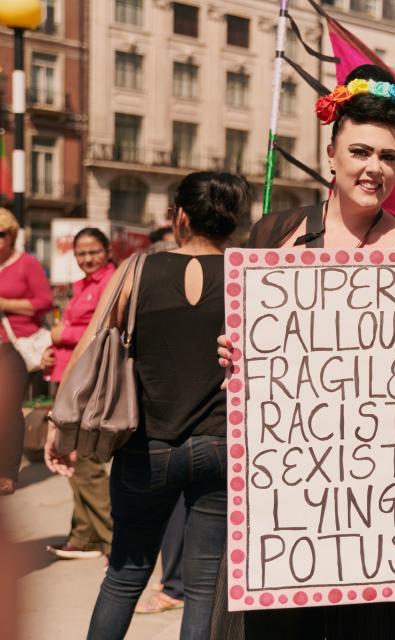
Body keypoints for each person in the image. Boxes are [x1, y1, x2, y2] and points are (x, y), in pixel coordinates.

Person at [211, 64, 395, 640]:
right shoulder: (274, 233)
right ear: (331, 153)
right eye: (361, 151)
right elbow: (248, 350)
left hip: (382, 505)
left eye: (389, 157)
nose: (374, 168)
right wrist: (231, 350)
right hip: (291, 491)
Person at [45, 171, 253, 639]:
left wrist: (61, 426)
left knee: (123, 576)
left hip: (147, 448)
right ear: (232, 221)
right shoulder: (248, 273)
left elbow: (89, 348)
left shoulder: (137, 270)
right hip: (223, 448)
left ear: (179, 216)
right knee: (202, 588)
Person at [41, 228, 116, 559]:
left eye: (93, 252)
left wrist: (61, 334)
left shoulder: (110, 283)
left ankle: (113, 544)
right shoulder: (83, 286)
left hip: (87, 383)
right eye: (81, 253)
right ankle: (84, 535)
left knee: (86, 463)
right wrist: (51, 350)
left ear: (107, 250)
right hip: (69, 378)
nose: (87, 259)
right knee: (71, 459)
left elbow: (104, 328)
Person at [0, 208, 53, 495]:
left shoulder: (27, 264)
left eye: (1, 234)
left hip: (17, 346)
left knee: (7, 408)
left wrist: (5, 303)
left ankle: (8, 472)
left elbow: (43, 302)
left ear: (12, 236)